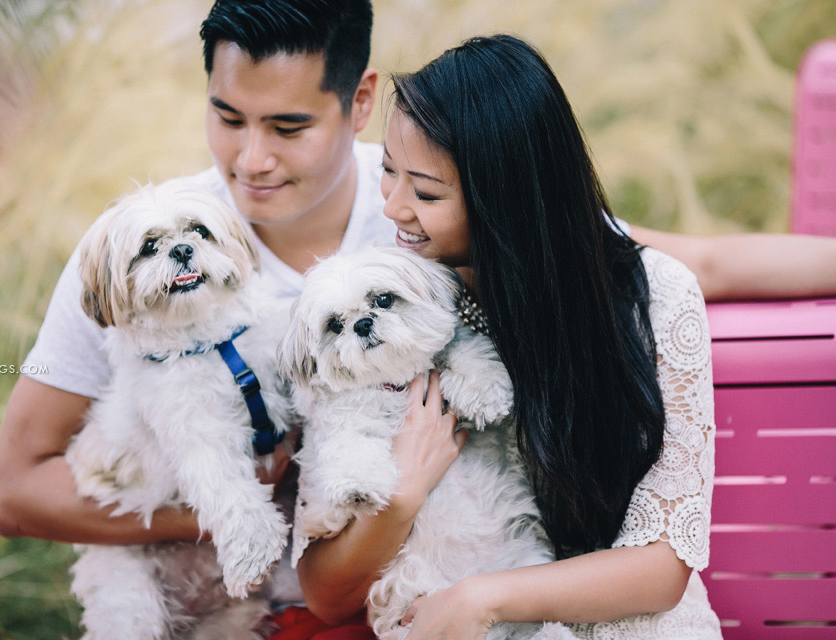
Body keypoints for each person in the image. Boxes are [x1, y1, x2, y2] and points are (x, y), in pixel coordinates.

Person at [0, 0, 836, 634]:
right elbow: (14, 488)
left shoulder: (441, 198)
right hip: (299, 596)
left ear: (359, 101)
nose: (251, 159)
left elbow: (677, 263)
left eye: (287, 125)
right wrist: (253, 501)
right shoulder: (140, 247)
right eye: (226, 117)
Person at [295, 34, 725, 638]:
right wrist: (402, 495)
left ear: (509, 199)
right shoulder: (390, 306)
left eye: (424, 191)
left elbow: (663, 567)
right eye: (388, 172)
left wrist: (486, 597)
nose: (392, 207)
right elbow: (325, 594)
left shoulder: (654, 298)